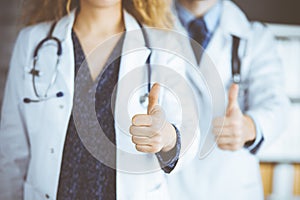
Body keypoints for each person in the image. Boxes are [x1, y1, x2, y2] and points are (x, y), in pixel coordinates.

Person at [0, 0, 200, 199]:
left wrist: (167, 138)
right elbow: (11, 152)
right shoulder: (32, 42)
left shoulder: (163, 47)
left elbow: (190, 134)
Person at [167, 0, 290, 199]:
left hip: (231, 187)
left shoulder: (255, 37)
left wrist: (249, 127)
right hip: (167, 188)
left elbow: (276, 105)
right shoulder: (144, 30)